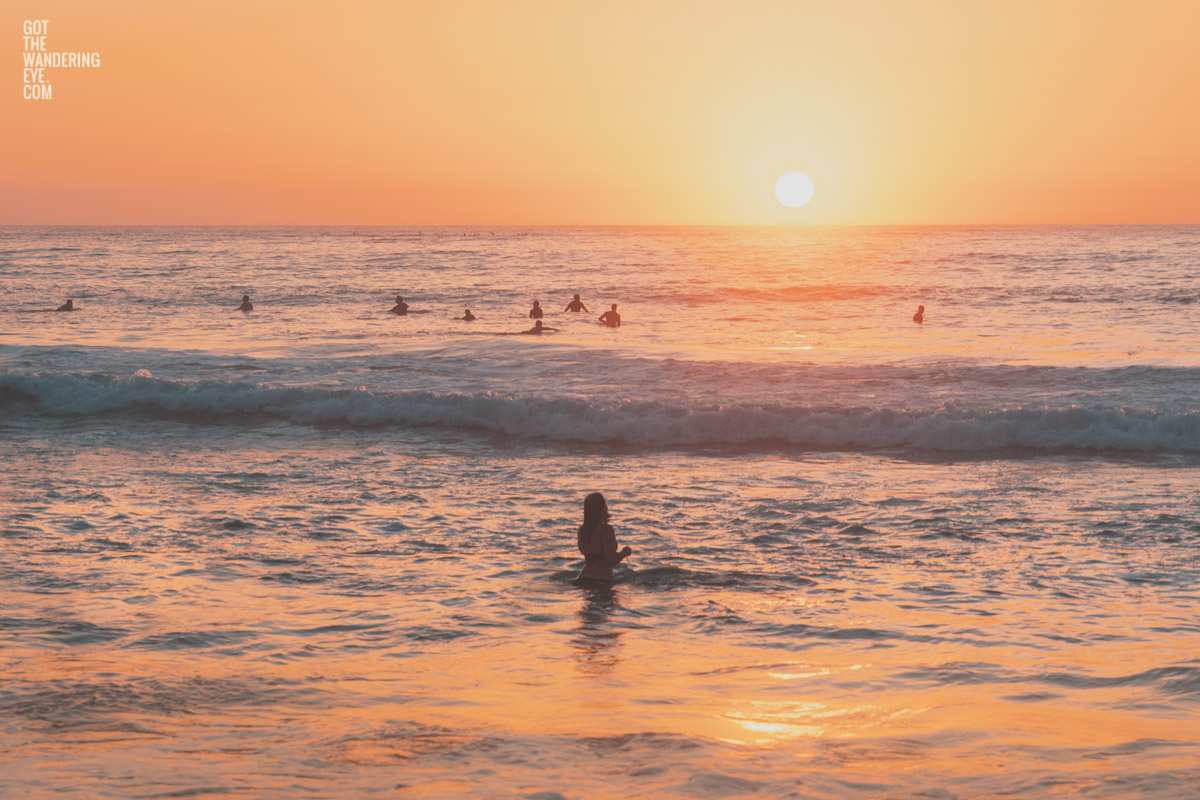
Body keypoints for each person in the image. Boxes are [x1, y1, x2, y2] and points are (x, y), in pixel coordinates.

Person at [575, 492, 632, 585]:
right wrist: (625, 552)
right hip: (601, 580)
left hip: (582, 578)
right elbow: (612, 559)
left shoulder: (582, 530)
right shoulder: (606, 530)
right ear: (602, 508)